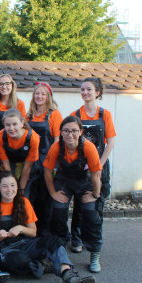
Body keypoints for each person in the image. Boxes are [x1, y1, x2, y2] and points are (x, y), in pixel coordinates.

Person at [0, 171, 96, 283]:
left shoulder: (23, 202)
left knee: (54, 241)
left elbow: (33, 232)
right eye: (5, 186)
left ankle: (69, 276)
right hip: (5, 250)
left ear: (17, 186)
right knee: (20, 259)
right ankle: (45, 265)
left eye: (13, 185)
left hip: (25, 244)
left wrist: (21, 228)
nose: (9, 190)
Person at [43, 116, 103, 273]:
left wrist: (95, 195)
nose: (70, 134)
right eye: (66, 131)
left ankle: (94, 253)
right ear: (61, 132)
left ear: (81, 131)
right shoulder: (56, 147)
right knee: (57, 210)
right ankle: (60, 248)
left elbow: (96, 175)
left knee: (91, 214)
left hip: (85, 183)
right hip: (64, 182)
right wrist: (53, 193)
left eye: (74, 131)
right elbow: (47, 172)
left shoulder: (89, 147)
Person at [69, 77, 116, 257]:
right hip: (80, 166)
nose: (85, 92)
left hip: (100, 165)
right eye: (82, 89)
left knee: (97, 204)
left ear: (97, 92)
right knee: (79, 204)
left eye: (89, 89)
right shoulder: (75, 115)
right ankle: (77, 240)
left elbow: (110, 143)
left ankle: (94, 241)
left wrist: (99, 166)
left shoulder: (105, 115)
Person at [26, 81, 63, 235]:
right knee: (30, 196)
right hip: (30, 161)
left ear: (48, 97)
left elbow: (57, 140)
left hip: (47, 161)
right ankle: (31, 230)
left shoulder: (54, 114)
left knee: (45, 198)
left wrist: (52, 163)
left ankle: (45, 232)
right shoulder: (28, 116)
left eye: (43, 94)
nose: (39, 96)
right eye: (37, 93)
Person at [0, 109, 40, 194]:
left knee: (24, 195)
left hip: (27, 167)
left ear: (22, 123)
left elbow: (27, 167)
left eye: (15, 124)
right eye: (8, 125)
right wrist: (12, 184)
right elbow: (5, 163)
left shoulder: (33, 138)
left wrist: (21, 189)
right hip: (9, 165)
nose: (11, 128)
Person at [0, 73, 26, 144]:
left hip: (13, 144)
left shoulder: (20, 104)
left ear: (12, 86)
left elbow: (23, 127)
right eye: (1, 84)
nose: (4, 87)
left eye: (7, 84)